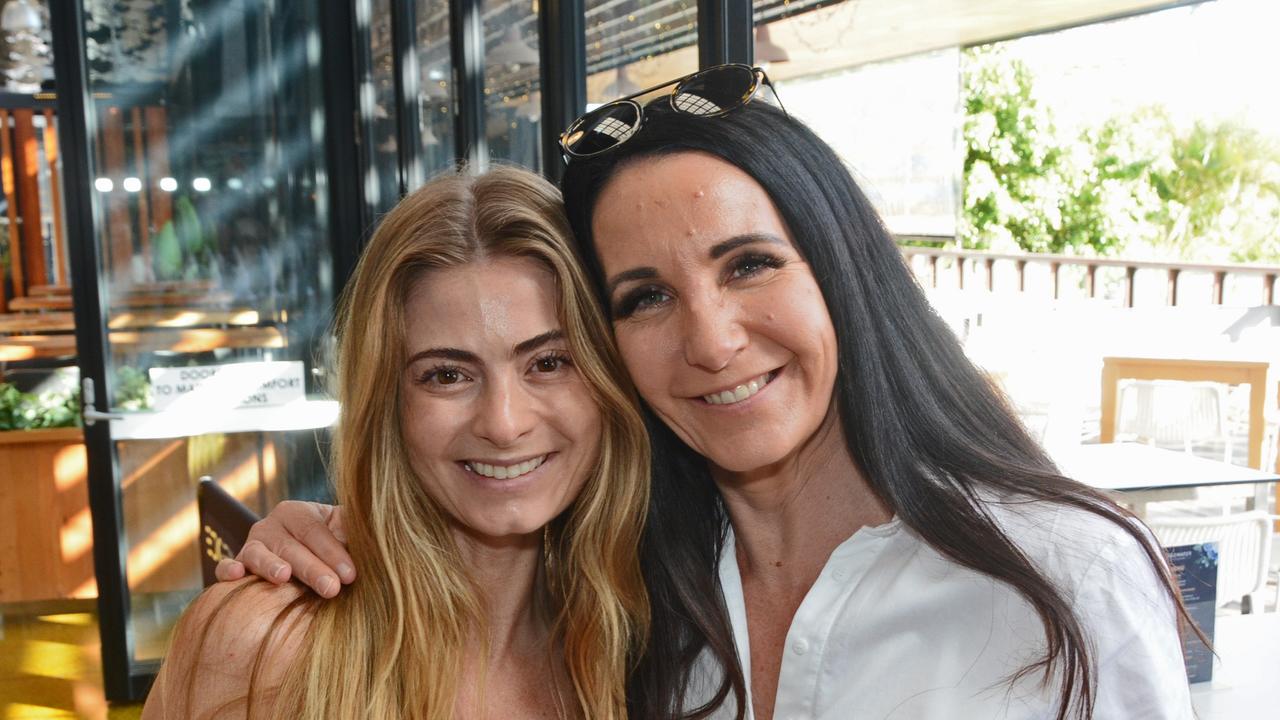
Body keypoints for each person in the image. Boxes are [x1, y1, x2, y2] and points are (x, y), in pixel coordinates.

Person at [222, 66, 1197, 720]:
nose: (711, 339)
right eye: (643, 298)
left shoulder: (1061, 577)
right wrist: (333, 527)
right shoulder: (631, 600)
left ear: (839, 270)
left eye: (748, 265)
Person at [143, 167, 650, 719]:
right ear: (388, 403)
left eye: (549, 363)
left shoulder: (638, 643)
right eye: (447, 375)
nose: (503, 425)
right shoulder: (267, 642)